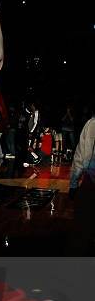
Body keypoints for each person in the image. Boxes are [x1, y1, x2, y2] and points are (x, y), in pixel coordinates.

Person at [67, 109, 95, 254]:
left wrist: (73, 184)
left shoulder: (91, 125)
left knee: (84, 222)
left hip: (91, 181)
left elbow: (82, 157)